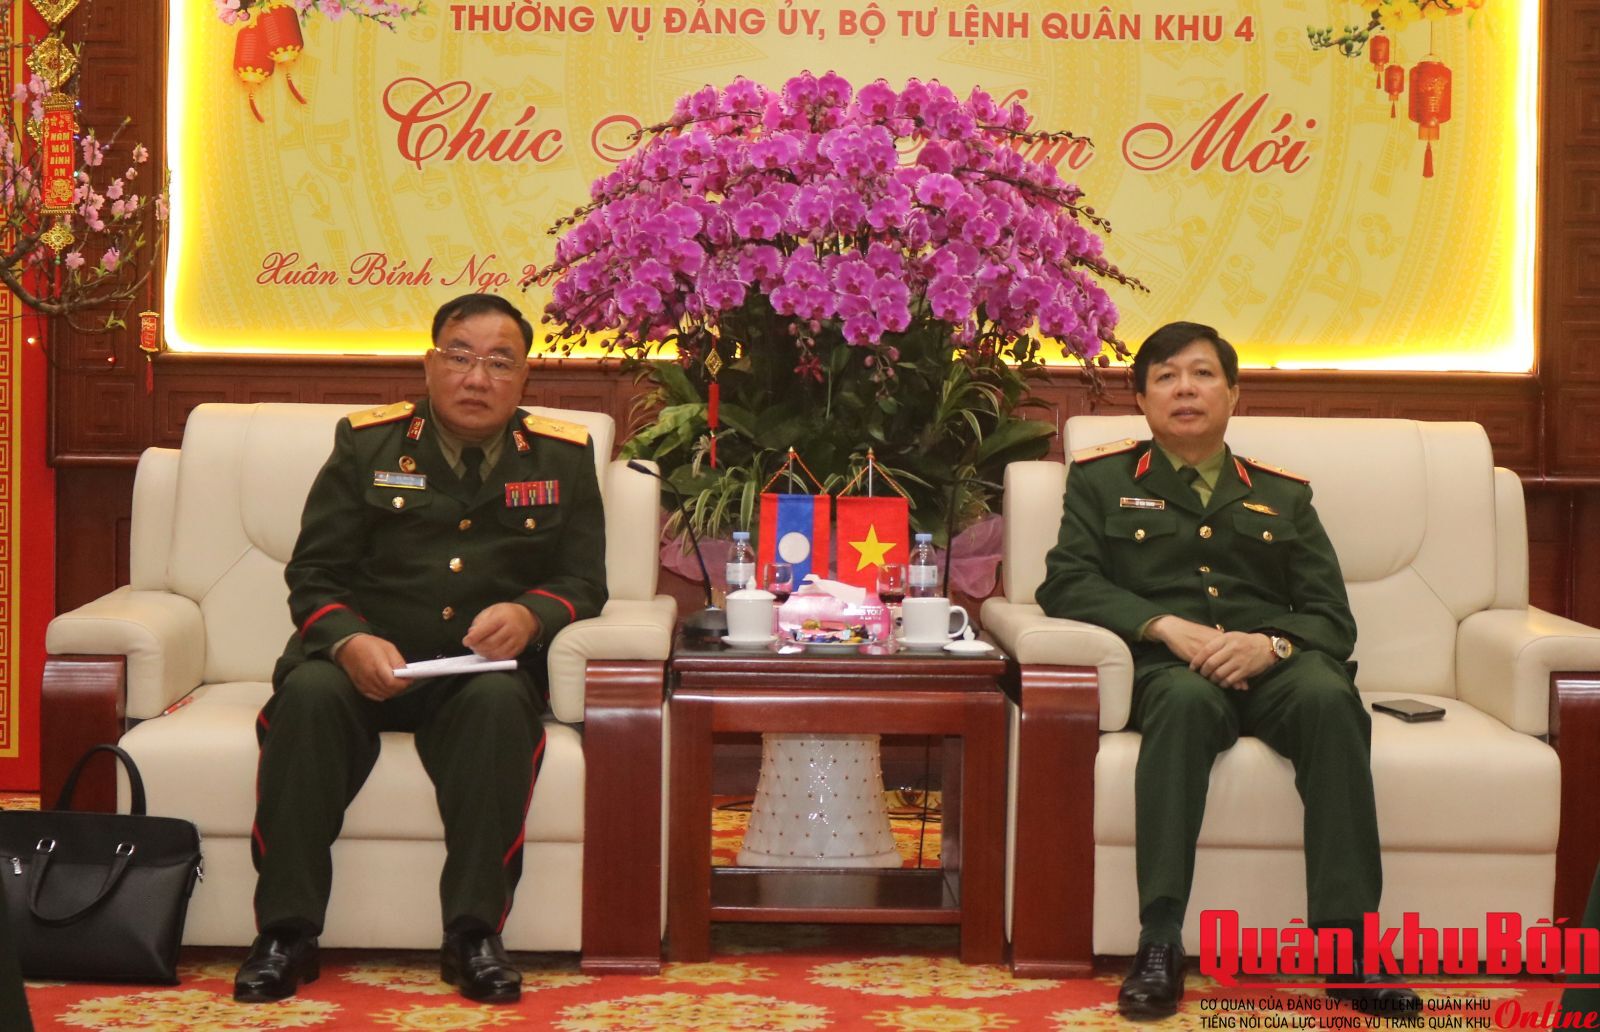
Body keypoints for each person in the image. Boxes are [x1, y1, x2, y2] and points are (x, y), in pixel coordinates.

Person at [1036, 322, 1421, 1021]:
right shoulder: (1101, 481)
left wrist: (1270, 646)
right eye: (1166, 377)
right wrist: (1162, 624)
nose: (1185, 389)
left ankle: (1349, 950)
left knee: (1330, 698)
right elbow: (1066, 583)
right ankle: (1159, 941)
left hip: (1272, 667)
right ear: (1142, 401)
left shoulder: (1284, 495)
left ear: (1234, 393)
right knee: (1183, 705)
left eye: (1203, 374)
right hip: (1170, 668)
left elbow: (1331, 618)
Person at [233, 294, 608, 1005]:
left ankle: (473, 936)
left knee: (500, 707)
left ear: (525, 377)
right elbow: (314, 575)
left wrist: (531, 615)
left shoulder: (563, 455)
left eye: (500, 362)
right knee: (306, 697)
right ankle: (285, 934)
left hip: (475, 673)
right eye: (460, 357)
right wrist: (348, 641)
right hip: (362, 663)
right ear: (430, 364)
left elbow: (583, 582)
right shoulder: (367, 444)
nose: (477, 377)